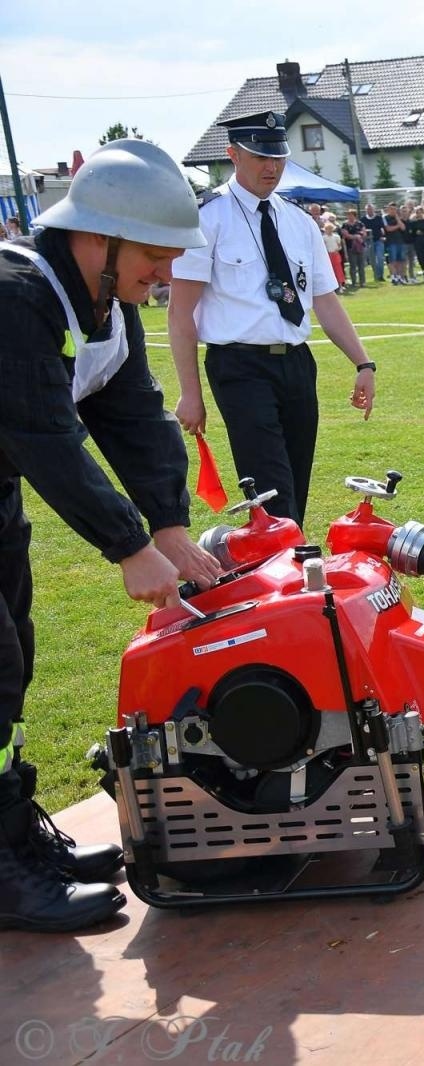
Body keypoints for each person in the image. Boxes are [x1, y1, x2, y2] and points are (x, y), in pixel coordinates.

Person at [0, 139, 225, 931]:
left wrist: (167, 522)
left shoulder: (102, 305)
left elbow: (131, 414)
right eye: (154, 256)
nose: (164, 273)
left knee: (13, 660)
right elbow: (44, 435)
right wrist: (128, 545)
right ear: (99, 238)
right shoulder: (14, 298)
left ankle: (11, 840)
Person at [168, 111, 376, 528]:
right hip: (239, 366)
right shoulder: (207, 217)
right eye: (260, 156)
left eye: (278, 157)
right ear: (233, 155)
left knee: (295, 481)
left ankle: (286, 559)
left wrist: (363, 362)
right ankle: (290, 561)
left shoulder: (299, 221)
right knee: (272, 487)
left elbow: (325, 301)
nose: (272, 167)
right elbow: (180, 312)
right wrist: (191, 393)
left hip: (297, 364)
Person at [340, 208, 367, 288]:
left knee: (361, 265)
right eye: (348, 215)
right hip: (350, 247)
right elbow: (346, 235)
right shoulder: (345, 225)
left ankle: (362, 282)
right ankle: (354, 282)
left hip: (360, 246)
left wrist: (360, 236)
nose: (349, 216)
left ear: (355, 215)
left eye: (351, 215)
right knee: (353, 265)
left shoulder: (360, 224)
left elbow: (364, 233)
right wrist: (356, 236)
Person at [360, 202, 385, 283]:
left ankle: (380, 275)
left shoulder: (379, 218)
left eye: (371, 209)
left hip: (378, 241)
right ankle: (376, 275)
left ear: (374, 209)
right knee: (372, 260)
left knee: (380, 258)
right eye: (368, 209)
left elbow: (383, 228)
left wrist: (383, 236)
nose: (369, 211)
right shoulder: (363, 220)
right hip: (368, 242)